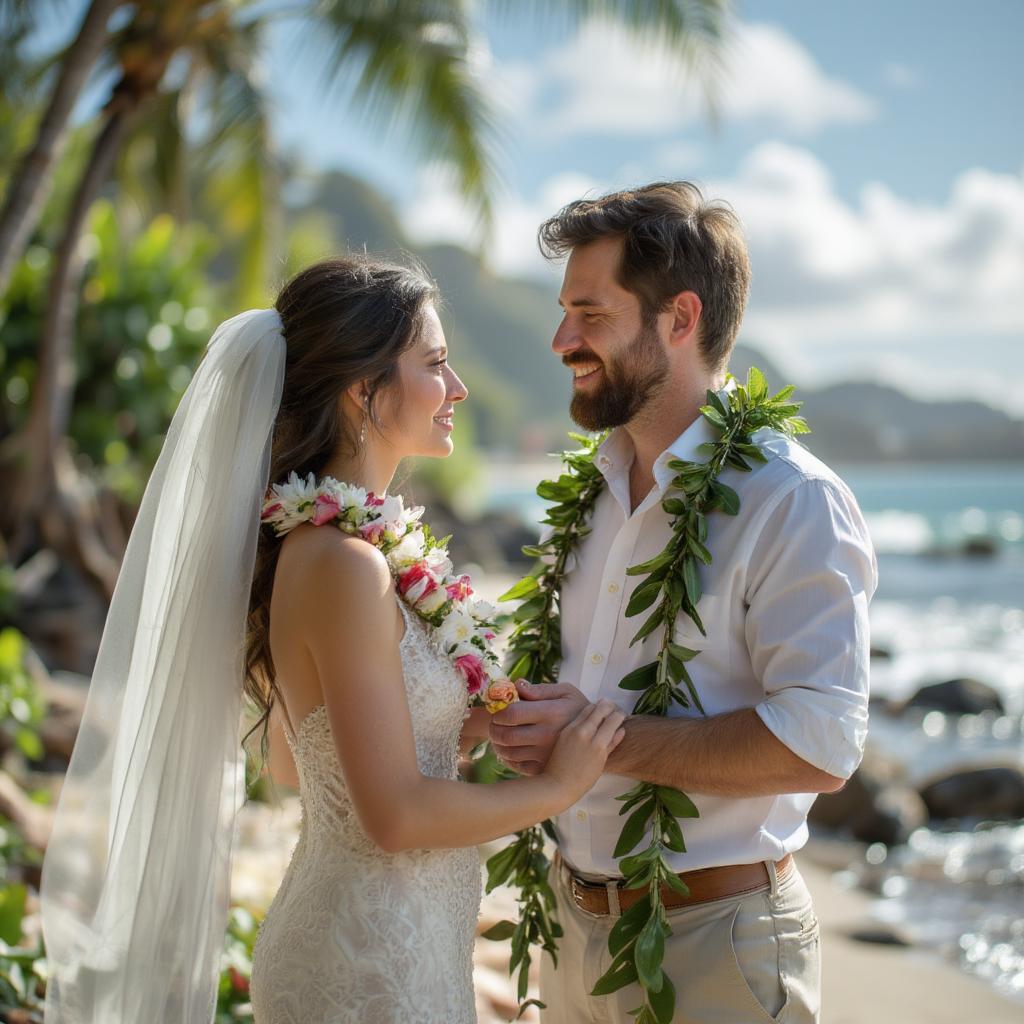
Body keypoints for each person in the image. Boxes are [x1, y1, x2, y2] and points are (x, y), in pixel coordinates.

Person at [39, 254, 626, 1024]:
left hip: (388, 938)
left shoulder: (337, 548)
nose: (459, 390)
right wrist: (556, 789)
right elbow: (391, 817)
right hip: (370, 963)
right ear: (362, 389)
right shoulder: (346, 564)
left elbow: (296, 759)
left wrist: (461, 725)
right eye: (437, 364)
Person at [488, 182, 878, 1023]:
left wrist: (596, 739)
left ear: (680, 318)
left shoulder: (790, 500)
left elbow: (821, 745)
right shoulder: (584, 493)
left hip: (716, 947)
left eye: (590, 315)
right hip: (567, 930)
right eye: (564, 313)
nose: (561, 341)